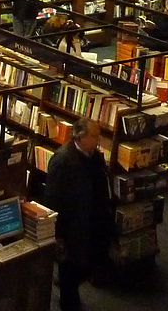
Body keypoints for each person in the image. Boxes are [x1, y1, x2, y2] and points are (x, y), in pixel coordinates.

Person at [40, 120, 113, 311]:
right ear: (80, 137)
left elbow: (100, 186)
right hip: (71, 227)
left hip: (91, 222)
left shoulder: (94, 156)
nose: (98, 141)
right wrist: (57, 233)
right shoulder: (63, 160)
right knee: (70, 272)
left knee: (85, 265)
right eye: (94, 136)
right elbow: (53, 198)